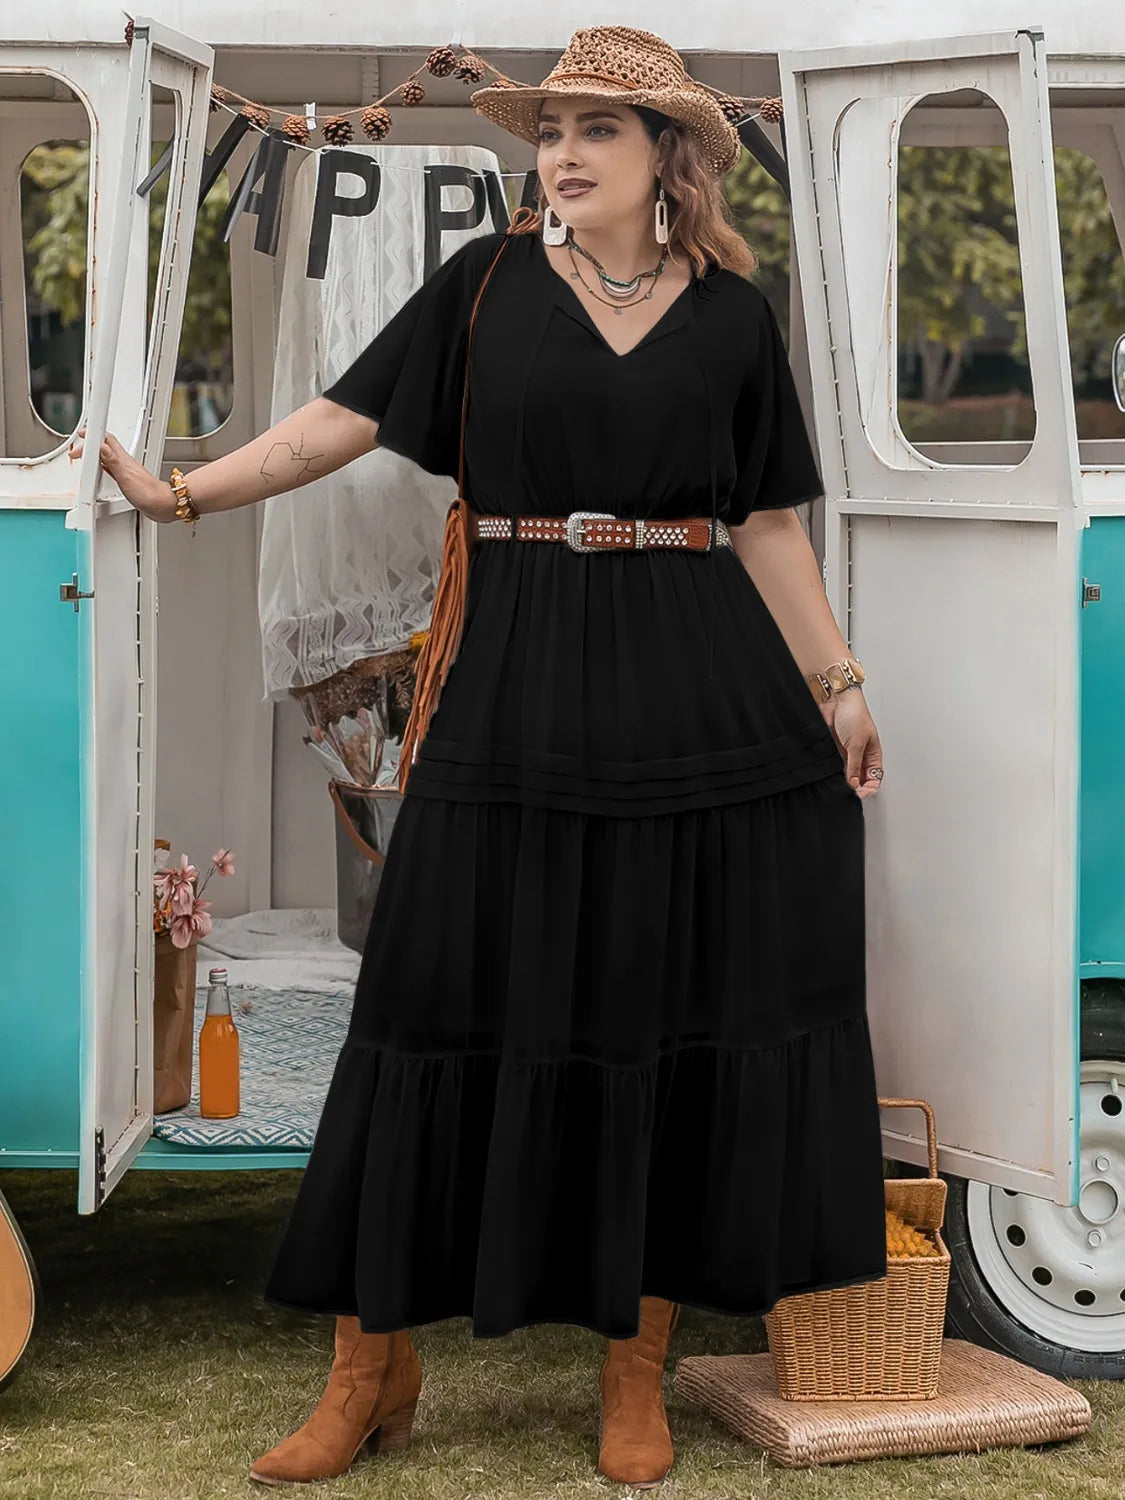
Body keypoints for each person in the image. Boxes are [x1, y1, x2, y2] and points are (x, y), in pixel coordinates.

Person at [71, 25, 888, 1490]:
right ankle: (369, 1369)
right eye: (551, 130)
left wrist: (838, 688)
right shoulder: (484, 286)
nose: (561, 155)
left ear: (669, 158)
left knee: (652, 1013)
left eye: (596, 131)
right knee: (427, 1006)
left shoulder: (732, 319)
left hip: (696, 693)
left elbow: (767, 520)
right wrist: (181, 492)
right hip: (511, 684)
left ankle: (631, 1372)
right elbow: (336, 424)